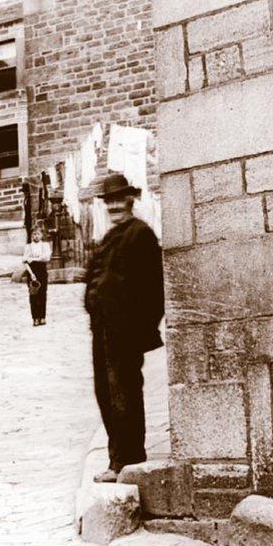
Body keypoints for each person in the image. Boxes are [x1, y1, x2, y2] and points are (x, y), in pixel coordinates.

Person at [84, 173, 164, 483]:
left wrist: (141, 332)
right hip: (102, 331)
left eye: (119, 199)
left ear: (130, 200)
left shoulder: (140, 234)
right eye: (109, 201)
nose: (114, 205)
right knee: (106, 394)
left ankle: (126, 462)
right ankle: (119, 459)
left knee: (123, 395)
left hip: (124, 333)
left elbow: (154, 290)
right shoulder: (111, 236)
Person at [23, 227, 52, 326]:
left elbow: (47, 258)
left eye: (38, 234)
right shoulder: (28, 247)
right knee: (33, 295)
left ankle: (42, 317)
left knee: (43, 294)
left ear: (42, 235)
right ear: (31, 236)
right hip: (32, 272)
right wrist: (31, 274)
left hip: (42, 271)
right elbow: (25, 261)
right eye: (34, 234)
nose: (36, 236)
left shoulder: (45, 245)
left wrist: (34, 259)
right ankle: (35, 318)